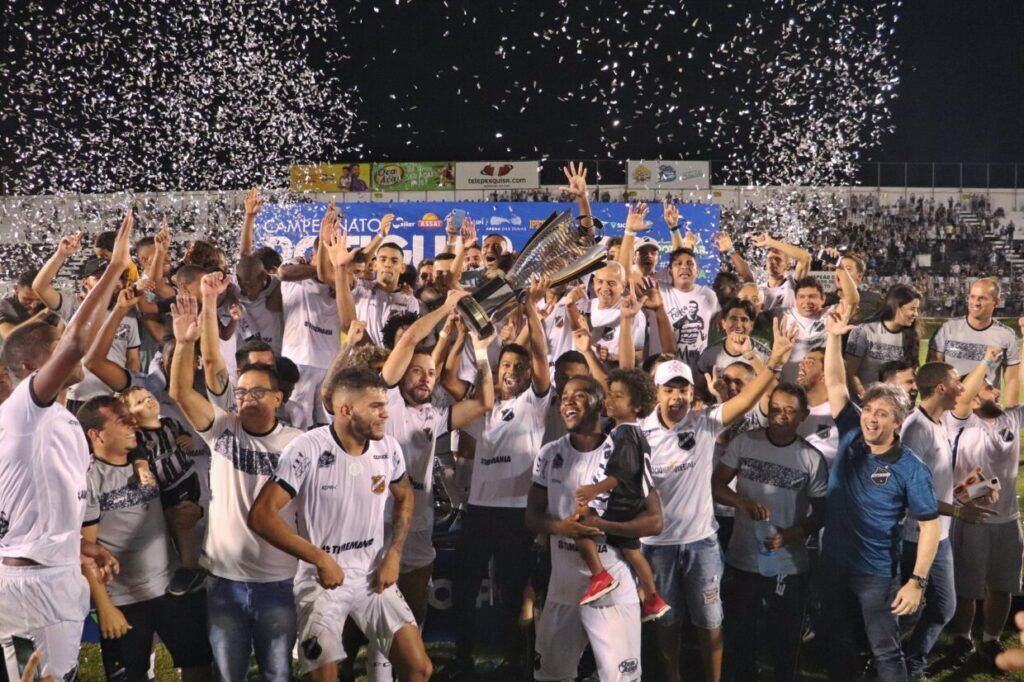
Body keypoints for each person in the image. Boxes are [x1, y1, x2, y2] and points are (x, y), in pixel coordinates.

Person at [0, 212, 132, 681]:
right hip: (26, 583)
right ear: (35, 364)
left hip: (57, 571)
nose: (74, 348)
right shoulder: (22, 410)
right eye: (59, 346)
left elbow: (48, 504)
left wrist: (79, 549)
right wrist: (115, 269)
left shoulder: (63, 419)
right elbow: (78, 339)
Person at [248, 366, 432, 682]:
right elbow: (261, 515)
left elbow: (405, 496)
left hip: (372, 574)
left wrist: (394, 554)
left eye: (385, 405)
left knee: (419, 668)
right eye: (376, 407)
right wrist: (319, 558)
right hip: (321, 583)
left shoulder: (387, 448)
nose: (385, 414)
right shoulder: (307, 448)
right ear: (345, 410)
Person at [640, 321, 796, 682]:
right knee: (667, 620)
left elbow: (746, 400)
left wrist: (773, 363)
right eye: (669, 390)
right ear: (656, 392)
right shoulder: (638, 432)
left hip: (701, 543)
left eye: (683, 389)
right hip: (657, 545)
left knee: (710, 621)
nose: (677, 397)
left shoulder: (704, 422)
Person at [167, 294, 303, 682]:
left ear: (278, 398)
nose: (246, 399)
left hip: (277, 581)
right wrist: (183, 342)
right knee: (229, 675)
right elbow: (180, 393)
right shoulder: (222, 428)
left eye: (258, 392)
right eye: (241, 393)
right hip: (225, 581)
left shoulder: (299, 444)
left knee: (278, 673)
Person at [819, 302, 940, 682]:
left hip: (875, 576)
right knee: (835, 644)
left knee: (885, 650)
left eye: (882, 413)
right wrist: (834, 338)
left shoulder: (911, 468)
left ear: (899, 422)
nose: (871, 417)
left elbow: (930, 527)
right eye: (869, 409)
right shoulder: (852, 431)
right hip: (834, 566)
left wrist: (917, 581)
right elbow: (836, 384)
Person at [527, 374, 664, 681]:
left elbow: (655, 521)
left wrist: (603, 525)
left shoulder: (623, 451)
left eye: (578, 396)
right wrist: (563, 528)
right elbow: (532, 518)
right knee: (550, 675)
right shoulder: (549, 454)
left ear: (599, 404)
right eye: (563, 398)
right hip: (563, 589)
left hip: (613, 590)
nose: (568, 403)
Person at [451, 275, 552, 678]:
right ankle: (462, 659)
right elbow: (447, 382)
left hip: (515, 513)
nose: (511, 370)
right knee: (464, 588)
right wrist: (464, 341)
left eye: (518, 365)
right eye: (505, 364)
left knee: (513, 591)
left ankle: (517, 659)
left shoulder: (536, 402)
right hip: (478, 511)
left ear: (528, 373)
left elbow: (542, 357)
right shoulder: (484, 405)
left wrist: (531, 308)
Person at [78, 396, 213, 681]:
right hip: (124, 600)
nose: (131, 424)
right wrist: (105, 607)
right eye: (120, 420)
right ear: (96, 434)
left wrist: (191, 512)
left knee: (199, 662)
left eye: (130, 417)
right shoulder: (87, 479)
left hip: (171, 586)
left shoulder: (147, 460)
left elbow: (177, 503)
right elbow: (85, 551)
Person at [713, 383, 827, 682]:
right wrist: (741, 501)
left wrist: (789, 535)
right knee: (740, 638)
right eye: (776, 408)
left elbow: (821, 513)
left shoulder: (811, 458)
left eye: (790, 410)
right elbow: (717, 485)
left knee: (784, 642)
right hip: (743, 559)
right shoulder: (744, 443)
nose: (781, 415)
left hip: (787, 564)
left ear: (804, 415)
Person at [899, 355, 996, 679]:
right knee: (923, 607)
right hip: (917, 536)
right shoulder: (916, 428)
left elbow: (934, 481)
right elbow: (910, 494)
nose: (963, 387)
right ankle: (889, 659)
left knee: (941, 607)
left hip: (937, 533)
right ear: (942, 387)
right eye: (958, 381)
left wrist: (972, 490)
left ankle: (905, 662)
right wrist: (958, 511)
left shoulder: (939, 421)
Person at [944, 356, 1024, 670]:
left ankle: (990, 639)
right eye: (990, 386)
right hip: (971, 519)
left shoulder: (1013, 418)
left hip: (1008, 520)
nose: (998, 391)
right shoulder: (959, 420)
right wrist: (981, 487)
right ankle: (963, 638)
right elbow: (962, 488)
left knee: (1002, 585)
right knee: (968, 589)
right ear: (974, 394)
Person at [572, 368, 668, 621]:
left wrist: (594, 490)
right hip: (636, 501)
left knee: (579, 524)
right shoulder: (635, 433)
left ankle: (599, 576)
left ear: (636, 406)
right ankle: (653, 598)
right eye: (609, 395)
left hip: (623, 500)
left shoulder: (623, 433)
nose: (610, 401)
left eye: (618, 397)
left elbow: (623, 473)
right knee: (633, 552)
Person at [118, 385, 206, 596]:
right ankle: (188, 565)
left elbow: (186, 436)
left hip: (184, 480)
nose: (148, 401)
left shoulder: (171, 423)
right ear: (131, 417)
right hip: (163, 489)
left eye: (149, 396)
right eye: (139, 402)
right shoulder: (138, 437)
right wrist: (143, 471)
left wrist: (188, 439)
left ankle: (190, 568)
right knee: (172, 523)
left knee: (182, 522)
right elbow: (139, 459)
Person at [929, 277, 1020, 408]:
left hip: (984, 412)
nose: (975, 302)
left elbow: (1011, 381)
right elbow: (933, 374)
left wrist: (1011, 420)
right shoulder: (947, 329)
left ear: (996, 302)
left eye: (982, 298)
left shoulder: (1006, 335)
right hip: (950, 410)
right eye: (972, 297)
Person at [845, 284, 922, 398]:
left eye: (917, 309)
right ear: (896, 307)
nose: (916, 314)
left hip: (895, 404)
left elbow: (908, 376)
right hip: (864, 402)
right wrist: (864, 395)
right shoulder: (864, 332)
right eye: (912, 309)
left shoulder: (912, 337)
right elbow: (850, 371)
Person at [0, 269, 47, 340]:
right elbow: (8, 336)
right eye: (27, 299)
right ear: (16, 289)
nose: (33, 305)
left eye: (38, 300)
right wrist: (43, 314)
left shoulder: (48, 303)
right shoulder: (3, 307)